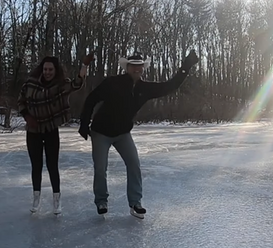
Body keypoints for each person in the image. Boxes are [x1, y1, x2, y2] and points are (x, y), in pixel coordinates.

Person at [78, 50, 199, 218]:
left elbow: (170, 86)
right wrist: (84, 124)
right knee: (100, 168)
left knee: (134, 164)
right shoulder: (112, 83)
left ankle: (135, 202)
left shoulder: (145, 88)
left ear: (143, 68)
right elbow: (91, 99)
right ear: (127, 67)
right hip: (101, 132)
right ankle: (101, 201)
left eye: (139, 66)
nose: (137, 69)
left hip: (122, 134)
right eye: (133, 66)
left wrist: (185, 67)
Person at [18, 53, 94, 214]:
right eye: (45, 69)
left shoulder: (60, 85)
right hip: (33, 131)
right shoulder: (31, 84)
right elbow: (21, 101)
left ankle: (56, 199)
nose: (47, 72)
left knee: (53, 166)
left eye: (50, 69)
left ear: (55, 70)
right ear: (41, 69)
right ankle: (36, 198)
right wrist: (27, 116)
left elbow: (77, 84)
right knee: (36, 166)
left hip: (51, 129)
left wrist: (84, 66)